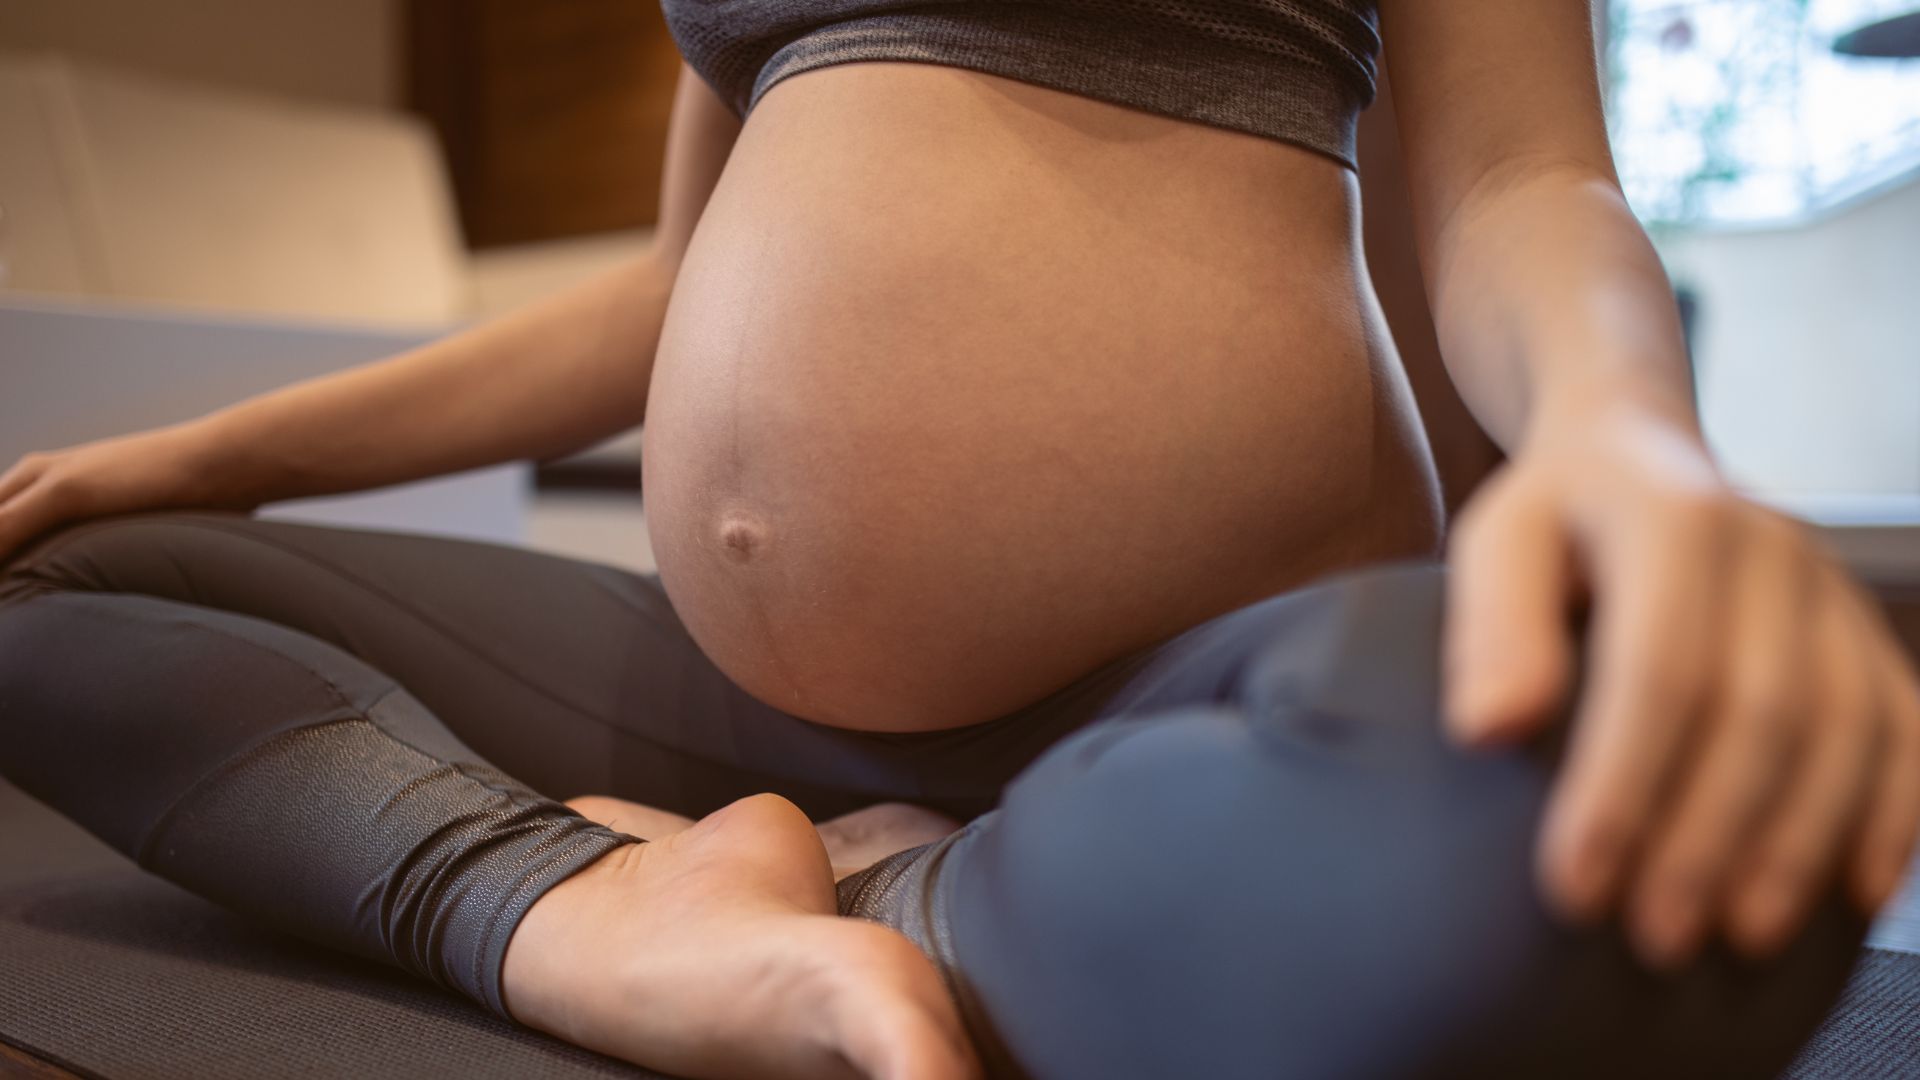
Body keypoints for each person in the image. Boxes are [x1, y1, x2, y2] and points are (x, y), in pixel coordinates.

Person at [1, 3, 1915, 1077]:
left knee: (1617, 828)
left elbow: (1521, 178)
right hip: (717, 693)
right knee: (55, 591)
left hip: (1193, 693)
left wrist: (1626, 435)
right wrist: (182, 458)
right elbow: (666, 294)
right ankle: (566, 914)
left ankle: (909, 904)